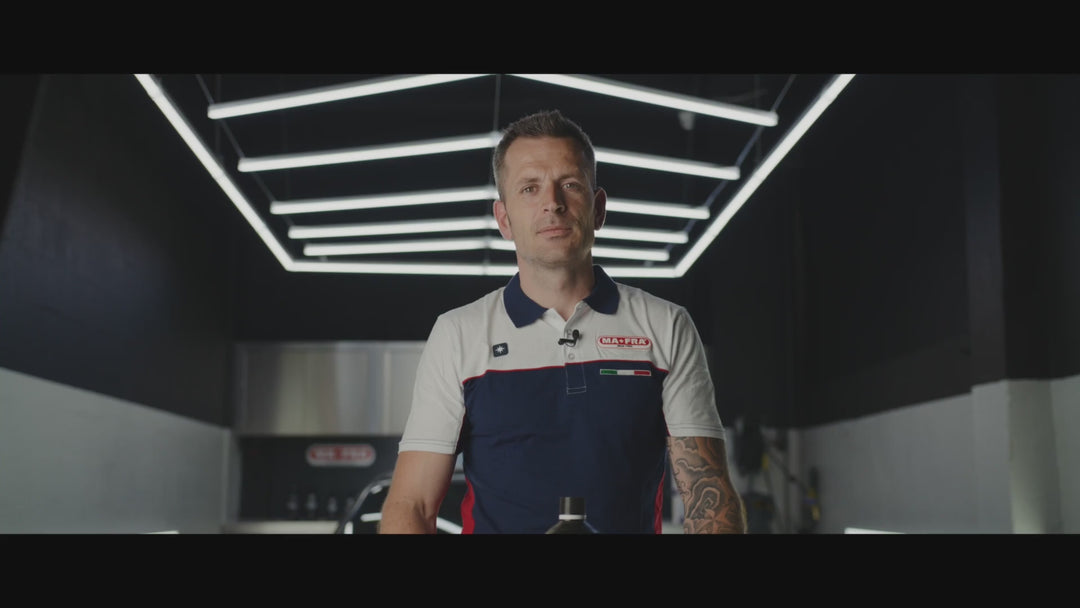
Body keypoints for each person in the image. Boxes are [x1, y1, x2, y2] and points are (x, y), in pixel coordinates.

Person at [379, 109, 746, 534]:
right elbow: (411, 505)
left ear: (598, 208)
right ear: (504, 219)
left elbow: (707, 495)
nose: (552, 203)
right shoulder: (458, 334)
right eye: (529, 188)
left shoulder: (665, 326)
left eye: (569, 184)